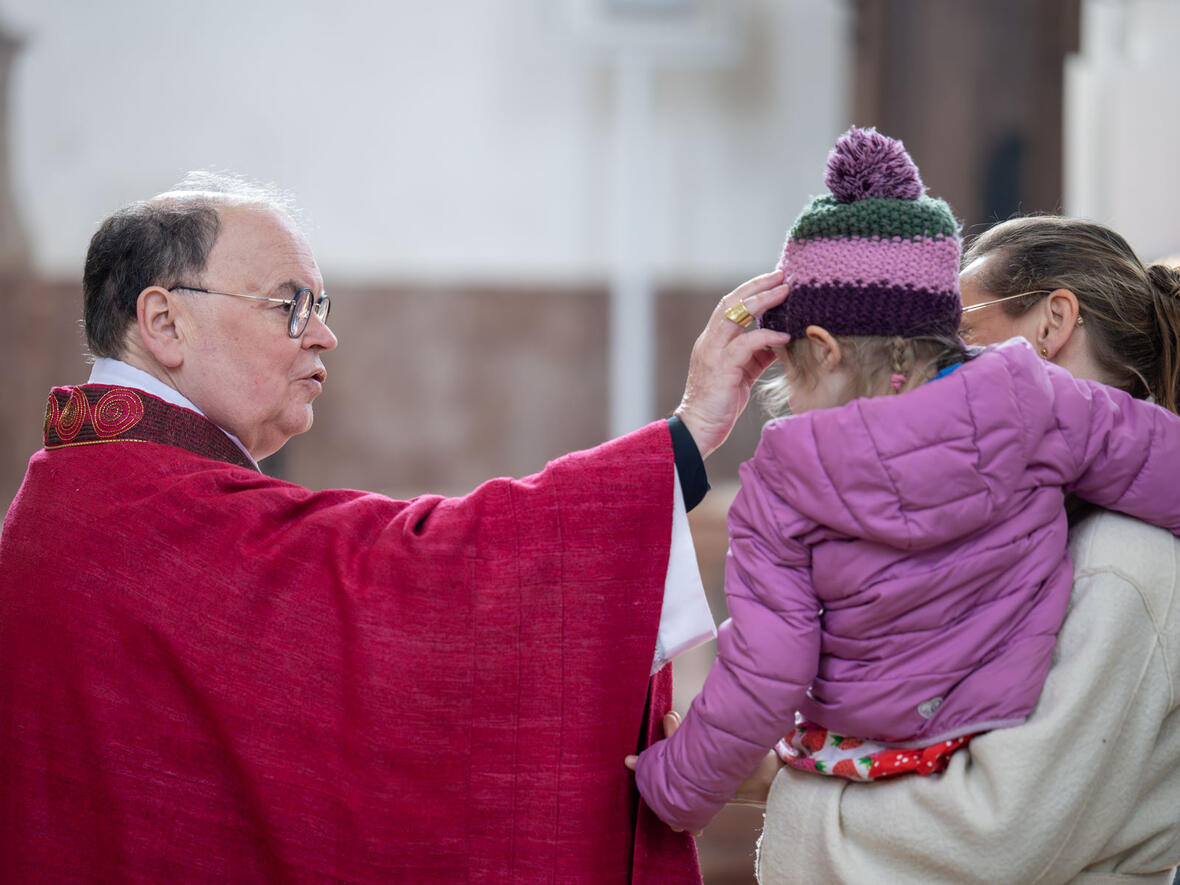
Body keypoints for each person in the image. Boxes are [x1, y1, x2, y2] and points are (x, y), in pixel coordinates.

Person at [0, 172, 793, 884]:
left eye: (322, 307)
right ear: (164, 322)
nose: (323, 334)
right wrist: (687, 435)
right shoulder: (146, 515)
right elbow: (416, 576)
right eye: (291, 305)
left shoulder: (80, 499)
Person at [627, 129, 1180, 835]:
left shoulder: (782, 478)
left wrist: (672, 786)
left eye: (790, 376)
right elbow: (1160, 462)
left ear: (822, 350)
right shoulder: (1034, 397)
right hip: (998, 726)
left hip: (865, 760)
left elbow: (766, 669)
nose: (791, 401)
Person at [754, 215, 1180, 883]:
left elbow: (990, 835)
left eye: (955, 333)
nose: (924, 359)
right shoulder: (1025, 532)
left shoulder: (1126, 560)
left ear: (1051, 323)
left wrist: (785, 791)